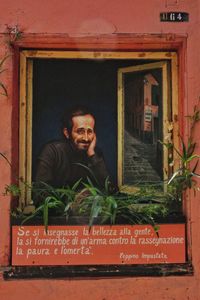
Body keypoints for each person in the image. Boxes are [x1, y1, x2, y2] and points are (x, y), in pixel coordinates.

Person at [34, 105, 113, 193]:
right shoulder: (52, 151)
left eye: (90, 131)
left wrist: (92, 154)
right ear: (67, 133)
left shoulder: (95, 153)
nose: (86, 138)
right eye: (80, 131)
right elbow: (40, 192)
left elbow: (110, 191)